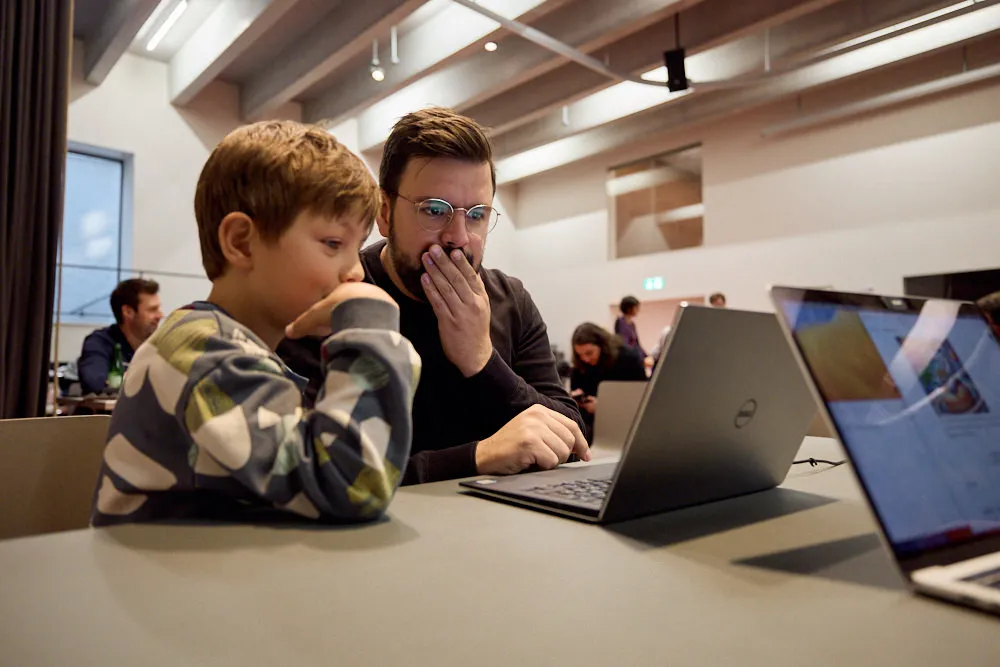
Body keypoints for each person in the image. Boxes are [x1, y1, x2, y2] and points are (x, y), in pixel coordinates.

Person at [90, 120, 420, 526]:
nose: (354, 272)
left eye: (356, 247)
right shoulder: (205, 354)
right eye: (334, 243)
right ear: (242, 242)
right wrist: (370, 325)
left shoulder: (222, 344)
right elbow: (351, 486)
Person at [279, 107, 589, 484]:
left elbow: (572, 436)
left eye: (476, 214)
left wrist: (481, 361)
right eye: (435, 210)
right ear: (385, 212)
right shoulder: (336, 295)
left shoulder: (511, 299)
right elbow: (306, 471)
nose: (457, 236)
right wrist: (475, 458)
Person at [77, 278, 163, 394]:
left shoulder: (160, 346)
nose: (160, 315)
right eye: (152, 310)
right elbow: (95, 384)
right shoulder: (99, 343)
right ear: (128, 312)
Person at [569, 322, 648, 442]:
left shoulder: (628, 359)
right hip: (593, 426)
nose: (585, 359)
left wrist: (604, 407)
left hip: (626, 425)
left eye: (589, 353)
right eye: (580, 355)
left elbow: (640, 398)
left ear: (602, 346)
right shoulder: (580, 366)